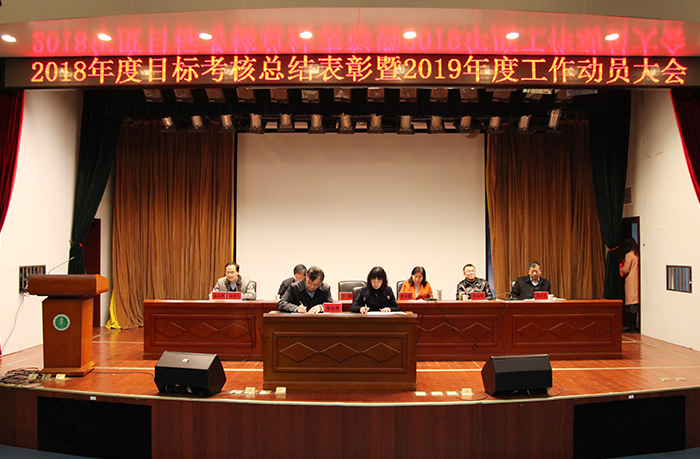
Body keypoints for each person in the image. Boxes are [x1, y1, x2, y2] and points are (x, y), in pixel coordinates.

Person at [619, 238, 640, 332]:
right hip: (638, 281)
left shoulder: (629, 255)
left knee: (631, 304)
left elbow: (626, 269)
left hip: (631, 281)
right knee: (636, 303)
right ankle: (635, 325)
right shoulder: (638, 254)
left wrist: (620, 268)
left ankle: (632, 326)